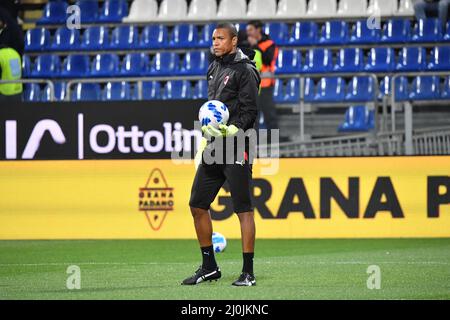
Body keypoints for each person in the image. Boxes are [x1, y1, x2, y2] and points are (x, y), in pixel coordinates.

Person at [182, 23, 261, 287]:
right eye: (213, 38)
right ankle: (209, 267)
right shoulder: (213, 66)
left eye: (220, 38)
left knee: (243, 209)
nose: (215, 42)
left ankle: (248, 272)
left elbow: (250, 113)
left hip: (238, 144)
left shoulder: (246, 70)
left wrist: (233, 129)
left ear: (234, 41)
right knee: (197, 204)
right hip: (214, 145)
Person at [246, 20, 279, 130]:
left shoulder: (269, 44)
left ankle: (274, 143)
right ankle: (253, 144)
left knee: (269, 115)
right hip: (252, 85)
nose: (248, 33)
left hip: (265, 84)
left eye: (250, 30)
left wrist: (255, 46)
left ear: (258, 29)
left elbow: (268, 60)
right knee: (253, 116)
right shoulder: (247, 45)